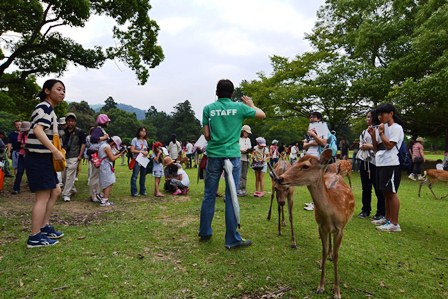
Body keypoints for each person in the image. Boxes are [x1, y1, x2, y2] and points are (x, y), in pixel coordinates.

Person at [198, 79, 265, 249]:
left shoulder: (208, 109)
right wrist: (251, 104)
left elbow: (206, 135)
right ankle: (232, 239)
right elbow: (261, 114)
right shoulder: (239, 108)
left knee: (209, 195)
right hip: (233, 155)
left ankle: (205, 232)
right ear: (233, 93)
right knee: (231, 196)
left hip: (214, 154)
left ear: (216, 92)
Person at [25, 79, 66, 248]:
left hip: (44, 158)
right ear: (47, 91)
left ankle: (44, 226)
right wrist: (55, 151)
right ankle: (34, 237)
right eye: (59, 89)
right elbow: (38, 130)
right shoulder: (44, 107)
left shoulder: (49, 109)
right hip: (38, 157)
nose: (62, 92)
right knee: (42, 197)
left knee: (55, 191)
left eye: (64, 90)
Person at [368, 103, 404, 232]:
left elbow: (389, 146)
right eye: (378, 114)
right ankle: (387, 219)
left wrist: (381, 133)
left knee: (392, 193)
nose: (379, 117)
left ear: (391, 114)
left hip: (391, 163)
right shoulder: (381, 128)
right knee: (385, 192)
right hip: (381, 162)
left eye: (382, 114)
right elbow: (377, 148)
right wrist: (373, 135)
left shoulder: (396, 128)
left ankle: (394, 224)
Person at [356, 110, 385, 220]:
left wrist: (369, 146)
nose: (368, 119)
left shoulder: (379, 130)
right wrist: (367, 146)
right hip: (365, 162)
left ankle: (381, 212)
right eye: (367, 117)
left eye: (370, 117)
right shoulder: (364, 132)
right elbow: (361, 145)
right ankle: (365, 210)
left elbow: (380, 146)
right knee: (366, 188)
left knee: (378, 188)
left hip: (376, 163)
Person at [302, 111, 330, 211]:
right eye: (310, 117)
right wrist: (312, 143)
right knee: (310, 180)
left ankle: (317, 203)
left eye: (313, 117)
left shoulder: (323, 127)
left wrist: (313, 136)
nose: (311, 119)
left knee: (317, 180)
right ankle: (314, 201)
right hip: (309, 155)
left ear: (318, 118)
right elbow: (304, 145)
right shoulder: (309, 128)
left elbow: (323, 143)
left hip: (318, 156)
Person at [60, 113, 86, 202]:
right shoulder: (63, 131)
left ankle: (66, 194)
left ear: (75, 122)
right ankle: (72, 189)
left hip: (74, 156)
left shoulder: (80, 132)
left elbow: (83, 144)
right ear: (66, 122)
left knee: (70, 175)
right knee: (63, 177)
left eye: (72, 121)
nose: (70, 123)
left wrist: (80, 155)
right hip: (63, 156)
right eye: (69, 121)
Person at [88, 114, 111, 202]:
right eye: (107, 121)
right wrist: (104, 137)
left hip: (98, 156)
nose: (108, 122)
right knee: (95, 176)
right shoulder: (97, 129)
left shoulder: (100, 129)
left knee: (98, 176)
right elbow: (93, 139)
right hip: (96, 156)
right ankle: (94, 194)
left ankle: (97, 193)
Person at [97, 136, 125, 206]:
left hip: (105, 165)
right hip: (105, 166)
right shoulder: (107, 147)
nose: (115, 146)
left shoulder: (104, 145)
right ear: (113, 143)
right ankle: (104, 200)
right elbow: (112, 158)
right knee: (109, 182)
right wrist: (120, 154)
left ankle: (102, 195)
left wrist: (118, 153)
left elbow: (109, 156)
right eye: (115, 145)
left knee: (109, 181)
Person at [12, 122, 31, 194]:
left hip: (30, 155)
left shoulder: (33, 134)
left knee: (30, 171)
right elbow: (19, 145)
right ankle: (16, 188)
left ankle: (32, 186)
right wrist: (25, 145)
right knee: (20, 172)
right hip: (22, 154)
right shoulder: (21, 134)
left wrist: (25, 145)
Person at [130, 127, 149, 196]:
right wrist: (141, 151)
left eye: (145, 131)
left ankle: (142, 190)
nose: (143, 133)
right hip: (137, 159)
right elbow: (132, 150)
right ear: (139, 132)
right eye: (142, 131)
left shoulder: (145, 141)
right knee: (135, 175)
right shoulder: (135, 140)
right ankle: (134, 191)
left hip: (143, 159)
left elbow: (146, 150)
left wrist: (146, 152)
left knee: (143, 175)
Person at [237, 125, 252, 196]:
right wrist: (241, 150)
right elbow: (236, 147)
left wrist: (249, 150)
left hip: (246, 158)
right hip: (239, 157)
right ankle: (238, 189)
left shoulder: (248, 139)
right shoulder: (238, 138)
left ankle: (243, 189)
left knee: (244, 175)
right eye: (247, 132)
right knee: (239, 174)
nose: (247, 134)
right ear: (243, 131)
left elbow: (249, 147)